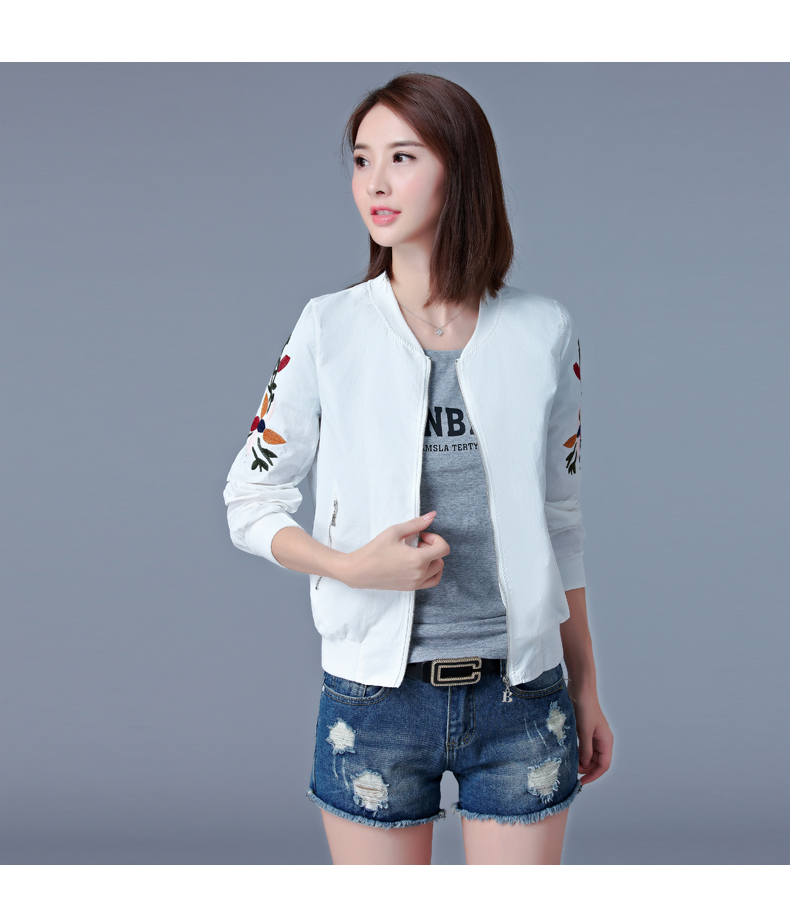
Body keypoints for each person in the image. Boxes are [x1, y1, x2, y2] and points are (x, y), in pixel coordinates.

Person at [223, 72, 613, 865]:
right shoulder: (328, 328)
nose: (375, 182)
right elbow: (249, 499)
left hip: (523, 695)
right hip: (374, 700)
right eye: (362, 159)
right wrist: (349, 567)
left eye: (402, 157)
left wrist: (586, 686)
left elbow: (560, 521)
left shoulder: (544, 330)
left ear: (459, 169)